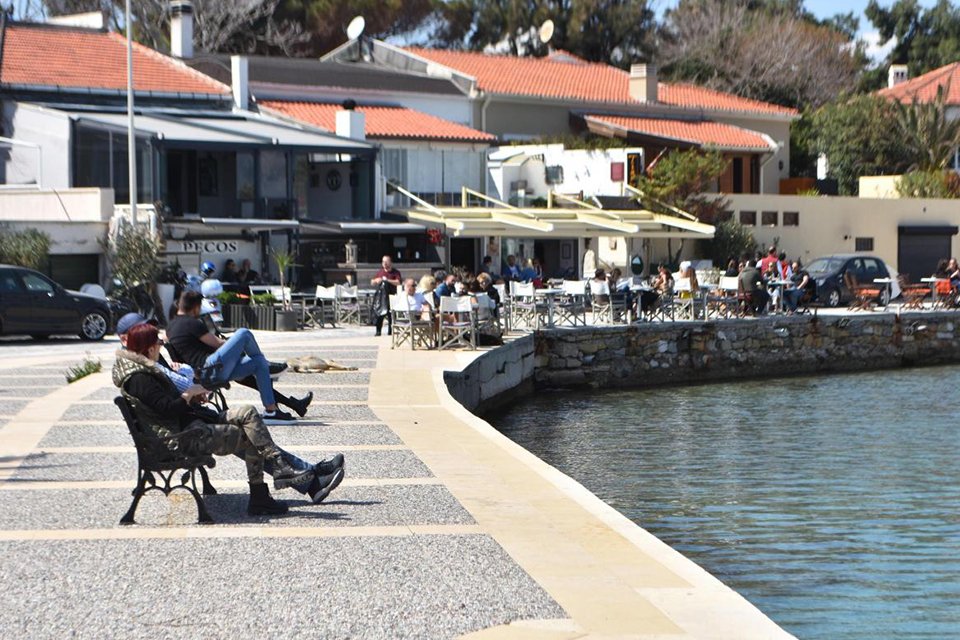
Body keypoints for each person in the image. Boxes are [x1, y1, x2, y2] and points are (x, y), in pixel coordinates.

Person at [114, 323, 344, 515]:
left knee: (248, 413)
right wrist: (189, 395)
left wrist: (191, 397)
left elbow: (166, 405)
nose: (161, 346)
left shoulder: (147, 369)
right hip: (184, 436)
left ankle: (292, 474)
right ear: (149, 348)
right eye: (158, 342)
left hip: (194, 422)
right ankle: (293, 485)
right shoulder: (140, 378)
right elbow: (168, 409)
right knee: (249, 436)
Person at [166, 291, 308, 424]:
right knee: (243, 333)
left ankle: (271, 410)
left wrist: (232, 347)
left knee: (258, 363)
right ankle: (268, 366)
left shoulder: (170, 327)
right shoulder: (191, 323)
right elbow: (217, 344)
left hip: (207, 371)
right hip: (209, 368)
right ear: (196, 307)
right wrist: (233, 345)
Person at [371, 255, 401, 337]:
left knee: (391, 315)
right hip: (381, 298)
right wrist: (376, 280)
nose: (384, 263)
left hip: (391, 296)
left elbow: (398, 282)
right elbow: (372, 282)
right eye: (383, 262)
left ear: (390, 262)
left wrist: (387, 280)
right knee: (380, 314)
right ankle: (378, 331)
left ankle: (390, 332)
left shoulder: (395, 272)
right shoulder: (380, 272)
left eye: (386, 262)